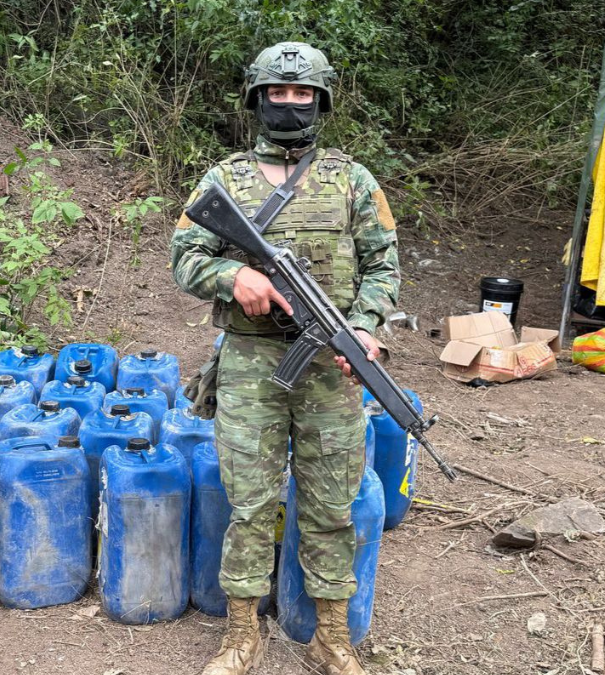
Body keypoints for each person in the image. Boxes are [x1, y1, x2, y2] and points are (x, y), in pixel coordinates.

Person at [171, 42, 400, 675]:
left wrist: (365, 327)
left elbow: (384, 266)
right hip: (250, 365)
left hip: (329, 368)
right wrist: (233, 277)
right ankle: (240, 635)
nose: (290, 103)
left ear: (320, 101)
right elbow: (184, 258)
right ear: (258, 99)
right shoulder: (225, 179)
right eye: (278, 92)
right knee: (249, 504)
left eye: (303, 94)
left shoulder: (353, 180)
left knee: (331, 505)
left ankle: (331, 637)